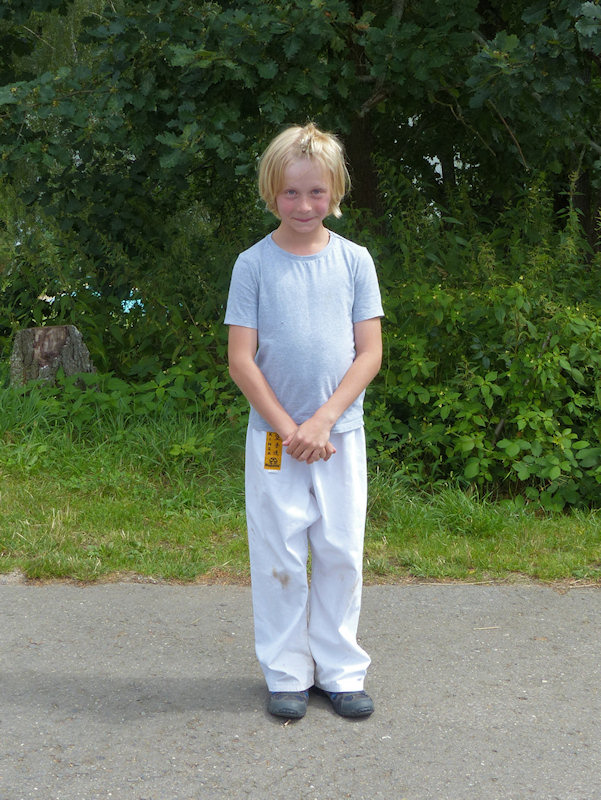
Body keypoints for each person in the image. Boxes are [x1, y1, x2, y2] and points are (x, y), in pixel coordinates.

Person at [225, 122, 383, 720]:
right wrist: (289, 429)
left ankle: (340, 670)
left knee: (340, 549)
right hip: (275, 441)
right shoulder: (253, 265)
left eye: (316, 192)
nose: (304, 205)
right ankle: (287, 671)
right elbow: (242, 360)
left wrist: (322, 421)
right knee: (280, 554)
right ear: (272, 193)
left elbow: (368, 353)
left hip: (338, 438)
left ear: (335, 191)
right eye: (291, 192)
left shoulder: (354, 261)